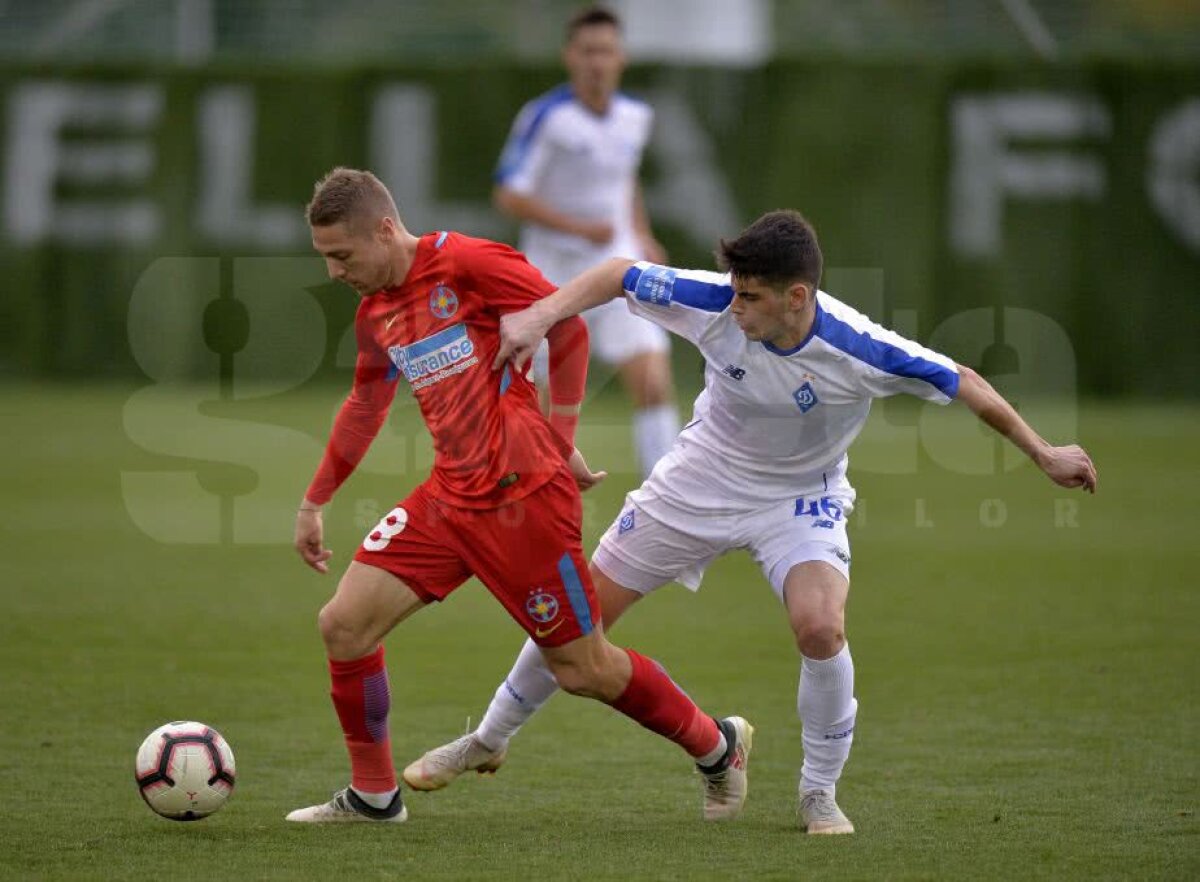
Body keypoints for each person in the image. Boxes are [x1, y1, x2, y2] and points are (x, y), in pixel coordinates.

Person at [402, 210, 1099, 834]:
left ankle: (818, 793)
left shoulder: (858, 347)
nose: (734, 306)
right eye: (734, 291)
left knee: (820, 627)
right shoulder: (713, 300)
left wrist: (1043, 452)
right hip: (698, 481)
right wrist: (541, 316)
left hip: (799, 498)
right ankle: (489, 739)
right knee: (578, 619)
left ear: (797, 297)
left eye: (751, 297)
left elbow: (963, 379)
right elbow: (617, 274)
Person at [285, 167, 752, 825]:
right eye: (326, 257)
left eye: (342, 255)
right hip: (449, 500)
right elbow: (365, 404)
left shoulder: (468, 263)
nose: (335, 272)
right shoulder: (377, 313)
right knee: (343, 625)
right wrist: (314, 502)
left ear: (385, 230)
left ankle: (717, 745)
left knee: (584, 669)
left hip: (526, 501)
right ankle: (374, 797)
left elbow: (568, 330)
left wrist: (559, 441)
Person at [493, 5, 679, 478]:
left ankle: (666, 497)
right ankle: (536, 490)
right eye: (588, 51)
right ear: (570, 56)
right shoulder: (546, 117)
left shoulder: (635, 116)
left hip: (616, 268)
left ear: (622, 57)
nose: (597, 61)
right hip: (551, 276)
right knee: (538, 397)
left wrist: (642, 234)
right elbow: (508, 194)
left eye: (606, 51)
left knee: (653, 380)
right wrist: (576, 227)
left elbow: (624, 180)